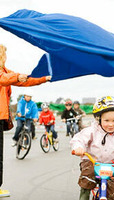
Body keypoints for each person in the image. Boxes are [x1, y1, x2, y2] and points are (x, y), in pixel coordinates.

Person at [0, 44, 51, 197]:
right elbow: (4, 79)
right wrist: (16, 77)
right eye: (4, 54)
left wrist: (43, 78)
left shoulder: (5, 71)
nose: (6, 57)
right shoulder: (4, 74)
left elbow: (24, 80)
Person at [70, 96, 114, 200]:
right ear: (99, 119)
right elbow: (78, 139)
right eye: (106, 120)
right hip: (92, 162)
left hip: (111, 165)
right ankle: (84, 197)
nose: (110, 124)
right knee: (87, 179)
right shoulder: (92, 131)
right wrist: (79, 147)